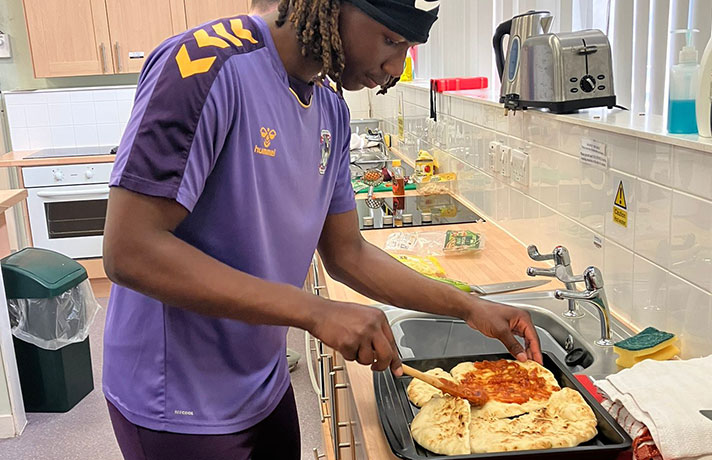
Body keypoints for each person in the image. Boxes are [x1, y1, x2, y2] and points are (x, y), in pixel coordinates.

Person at [102, 1, 542, 459]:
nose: (396, 67)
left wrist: (469, 307)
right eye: (390, 41)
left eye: (409, 47)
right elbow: (130, 250)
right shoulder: (203, 66)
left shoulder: (330, 108)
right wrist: (315, 312)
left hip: (262, 380)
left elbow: (348, 254)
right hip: (179, 401)